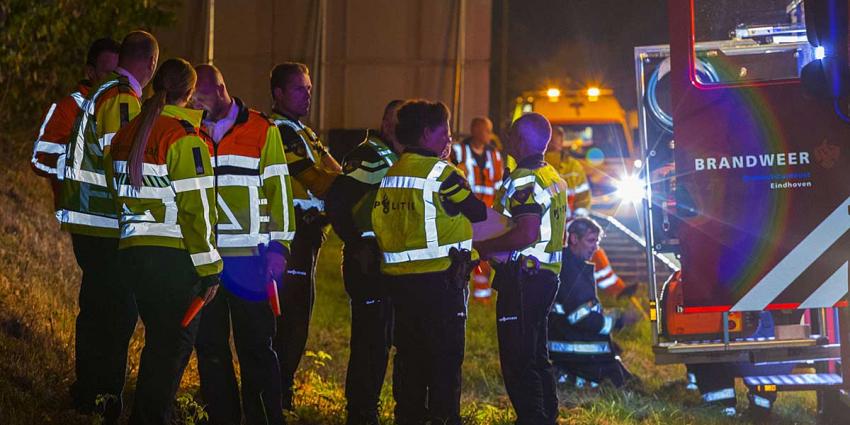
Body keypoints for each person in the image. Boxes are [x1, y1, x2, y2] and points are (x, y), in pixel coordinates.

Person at [104, 58, 221, 425]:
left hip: (132, 256)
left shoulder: (128, 133)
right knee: (170, 349)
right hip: (174, 262)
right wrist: (211, 269)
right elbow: (196, 211)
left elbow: (115, 191)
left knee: (158, 344)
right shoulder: (185, 139)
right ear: (190, 93)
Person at [57, 31, 158, 421]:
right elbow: (124, 163)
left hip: (91, 221)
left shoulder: (102, 92)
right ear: (149, 65)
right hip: (106, 224)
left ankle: (87, 393)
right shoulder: (122, 100)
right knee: (117, 314)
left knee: (97, 310)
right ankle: (104, 398)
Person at [191, 64, 295, 425]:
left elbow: (279, 192)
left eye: (199, 99)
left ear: (220, 91)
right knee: (210, 349)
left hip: (252, 261)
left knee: (257, 348)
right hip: (207, 261)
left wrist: (281, 247)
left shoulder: (262, 130)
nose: (194, 106)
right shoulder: (189, 130)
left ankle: (265, 418)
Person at [372, 100, 486, 425]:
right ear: (426, 133)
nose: (449, 139)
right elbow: (476, 212)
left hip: (400, 286)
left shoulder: (392, 173)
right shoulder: (442, 174)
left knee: (409, 360)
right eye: (445, 132)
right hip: (441, 285)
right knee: (445, 365)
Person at [475, 112, 568, 425]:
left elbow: (527, 232)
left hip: (523, 279)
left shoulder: (524, 179)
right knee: (536, 353)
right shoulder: (551, 175)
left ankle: (533, 418)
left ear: (523, 140)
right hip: (545, 277)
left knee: (518, 358)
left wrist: (484, 247)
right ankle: (546, 415)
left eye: (512, 135)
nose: (508, 140)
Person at [325, 99, 403, 425]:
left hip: (390, 265)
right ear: (386, 123)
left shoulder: (400, 158)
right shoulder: (369, 154)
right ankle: (360, 412)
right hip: (367, 264)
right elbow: (337, 199)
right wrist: (358, 244)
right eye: (401, 121)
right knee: (370, 344)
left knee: (385, 341)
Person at [268, 62, 341, 409]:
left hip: (309, 235)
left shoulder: (304, 131)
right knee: (291, 319)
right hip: (292, 233)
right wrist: (352, 188)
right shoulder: (280, 131)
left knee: (299, 317)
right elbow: (317, 178)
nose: (307, 94)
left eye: (309, 89)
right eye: (299, 89)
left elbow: (335, 172)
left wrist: (344, 184)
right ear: (278, 93)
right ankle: (277, 395)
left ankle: (280, 391)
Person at [545, 126, 635, 298]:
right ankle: (613, 292)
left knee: (593, 251)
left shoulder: (573, 166)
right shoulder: (544, 166)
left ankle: (617, 291)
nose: (555, 142)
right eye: (552, 139)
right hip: (549, 230)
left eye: (558, 138)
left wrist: (577, 223)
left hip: (568, 227)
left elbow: (583, 196)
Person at [31, 37, 118, 209]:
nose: (114, 81)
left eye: (118, 75)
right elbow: (39, 160)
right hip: (79, 214)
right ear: (90, 72)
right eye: (108, 73)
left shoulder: (123, 110)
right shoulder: (68, 108)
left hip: (112, 220)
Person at [547, 217, 635, 389]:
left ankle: (567, 374)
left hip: (571, 345)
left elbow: (584, 308)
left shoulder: (570, 265)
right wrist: (619, 321)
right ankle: (569, 375)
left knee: (627, 380)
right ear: (573, 239)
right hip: (574, 350)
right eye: (590, 240)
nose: (595, 247)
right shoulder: (571, 271)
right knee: (622, 383)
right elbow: (580, 317)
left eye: (597, 241)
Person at [451, 117, 505, 302]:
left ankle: (482, 295)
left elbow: (499, 185)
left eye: (488, 131)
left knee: (485, 252)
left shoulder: (495, 155)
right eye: (484, 130)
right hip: (463, 211)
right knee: (464, 251)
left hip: (487, 213)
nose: (487, 135)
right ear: (474, 130)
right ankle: (465, 290)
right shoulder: (459, 150)